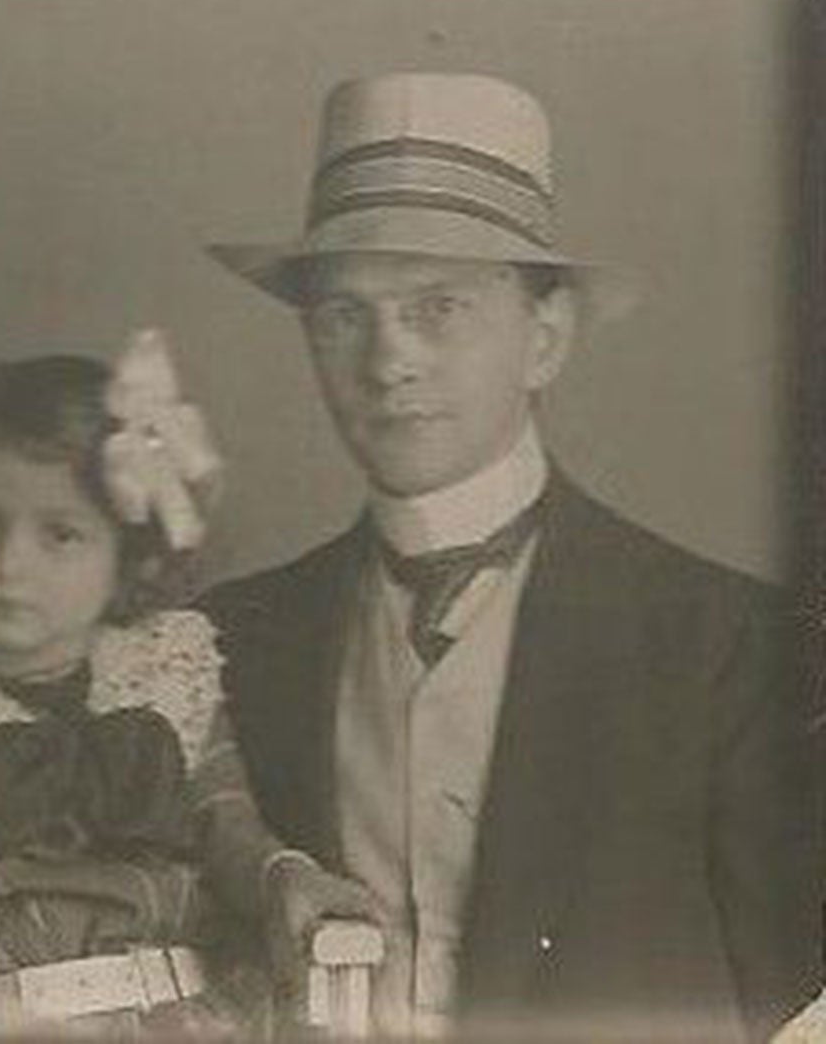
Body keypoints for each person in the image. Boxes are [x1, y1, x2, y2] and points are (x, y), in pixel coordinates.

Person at [199, 71, 820, 1040]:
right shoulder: (225, 641)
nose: (387, 357)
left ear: (544, 336)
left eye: (438, 306)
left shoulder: (731, 648)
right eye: (343, 314)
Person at [0, 341, 288, 1033]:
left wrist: (287, 874)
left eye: (59, 534)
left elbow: (233, 833)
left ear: (130, 553)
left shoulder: (168, 672)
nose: (7, 562)